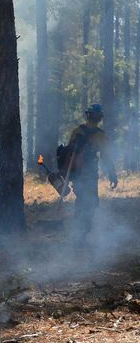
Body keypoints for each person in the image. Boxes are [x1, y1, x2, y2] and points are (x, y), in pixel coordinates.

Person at [65, 103, 117, 244]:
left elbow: (67, 152)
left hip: (76, 174)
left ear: (87, 115)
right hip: (89, 174)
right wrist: (112, 174)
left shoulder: (77, 131)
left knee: (81, 201)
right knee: (91, 203)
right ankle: (82, 235)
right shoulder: (100, 136)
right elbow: (106, 157)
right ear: (99, 117)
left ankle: (79, 234)